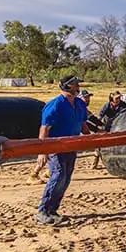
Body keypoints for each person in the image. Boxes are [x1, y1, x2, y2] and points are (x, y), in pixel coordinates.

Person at [36, 75, 90, 225]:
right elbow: (45, 129)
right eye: (74, 85)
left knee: (66, 178)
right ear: (66, 87)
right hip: (55, 147)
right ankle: (43, 211)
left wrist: (95, 139)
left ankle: (52, 210)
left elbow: (83, 125)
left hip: (71, 146)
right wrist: (43, 150)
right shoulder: (55, 105)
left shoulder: (80, 104)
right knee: (58, 175)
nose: (77, 87)